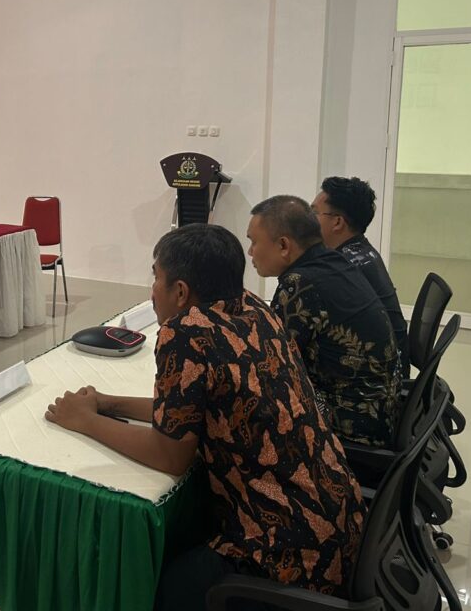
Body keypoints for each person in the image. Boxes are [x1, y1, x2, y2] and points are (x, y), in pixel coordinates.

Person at [45, 224, 364, 607]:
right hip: (340, 520)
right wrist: (108, 403)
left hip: (289, 552)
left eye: (156, 278)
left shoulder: (185, 334)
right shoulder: (253, 308)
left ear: (180, 291)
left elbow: (170, 455)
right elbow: (189, 411)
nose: (152, 291)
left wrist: (85, 421)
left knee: (153, 585)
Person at [247, 195, 400, 447]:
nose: (250, 252)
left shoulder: (300, 284)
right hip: (382, 410)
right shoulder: (335, 262)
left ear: (284, 245)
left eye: (253, 242)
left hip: (352, 427)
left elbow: (272, 367)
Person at [313, 177, 410, 376]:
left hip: (377, 378)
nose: (307, 220)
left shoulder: (343, 268)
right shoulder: (363, 251)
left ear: (337, 222)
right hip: (391, 366)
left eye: (314, 213)